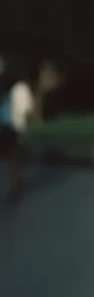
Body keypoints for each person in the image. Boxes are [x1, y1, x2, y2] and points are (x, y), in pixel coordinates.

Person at [0, 60, 33, 198]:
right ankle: (15, 186)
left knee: (14, 158)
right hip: (4, 125)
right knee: (11, 158)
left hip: (14, 126)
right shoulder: (4, 88)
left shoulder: (20, 87)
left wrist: (21, 121)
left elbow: (27, 108)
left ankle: (16, 187)